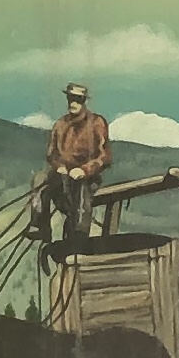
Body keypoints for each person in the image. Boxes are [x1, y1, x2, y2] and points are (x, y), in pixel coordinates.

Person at [31, 82, 112, 254]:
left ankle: (79, 233)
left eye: (77, 99)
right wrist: (60, 166)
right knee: (40, 179)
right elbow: (52, 154)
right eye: (70, 99)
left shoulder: (97, 123)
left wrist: (84, 170)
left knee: (81, 187)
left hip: (87, 176)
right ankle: (39, 225)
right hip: (63, 175)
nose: (73, 103)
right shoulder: (60, 125)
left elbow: (104, 156)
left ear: (84, 101)